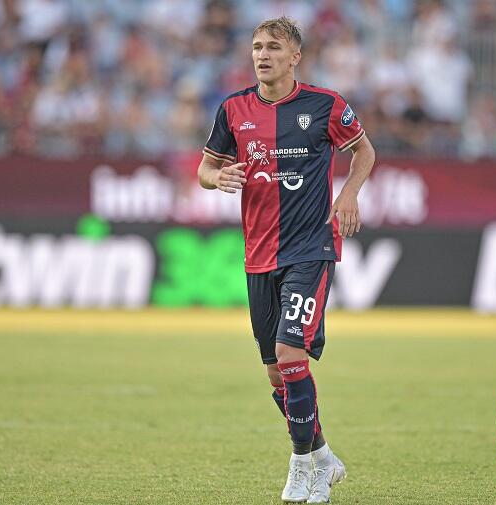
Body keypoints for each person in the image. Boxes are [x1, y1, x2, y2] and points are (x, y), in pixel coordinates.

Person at [196, 16, 375, 503]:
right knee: (277, 373)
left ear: (295, 56)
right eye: (257, 46)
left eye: (274, 47)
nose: (263, 54)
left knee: (291, 354)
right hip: (259, 255)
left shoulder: (325, 105)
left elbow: (364, 151)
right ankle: (323, 455)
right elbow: (206, 169)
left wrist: (349, 194)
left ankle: (302, 468)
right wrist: (218, 178)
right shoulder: (233, 109)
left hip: (310, 249)